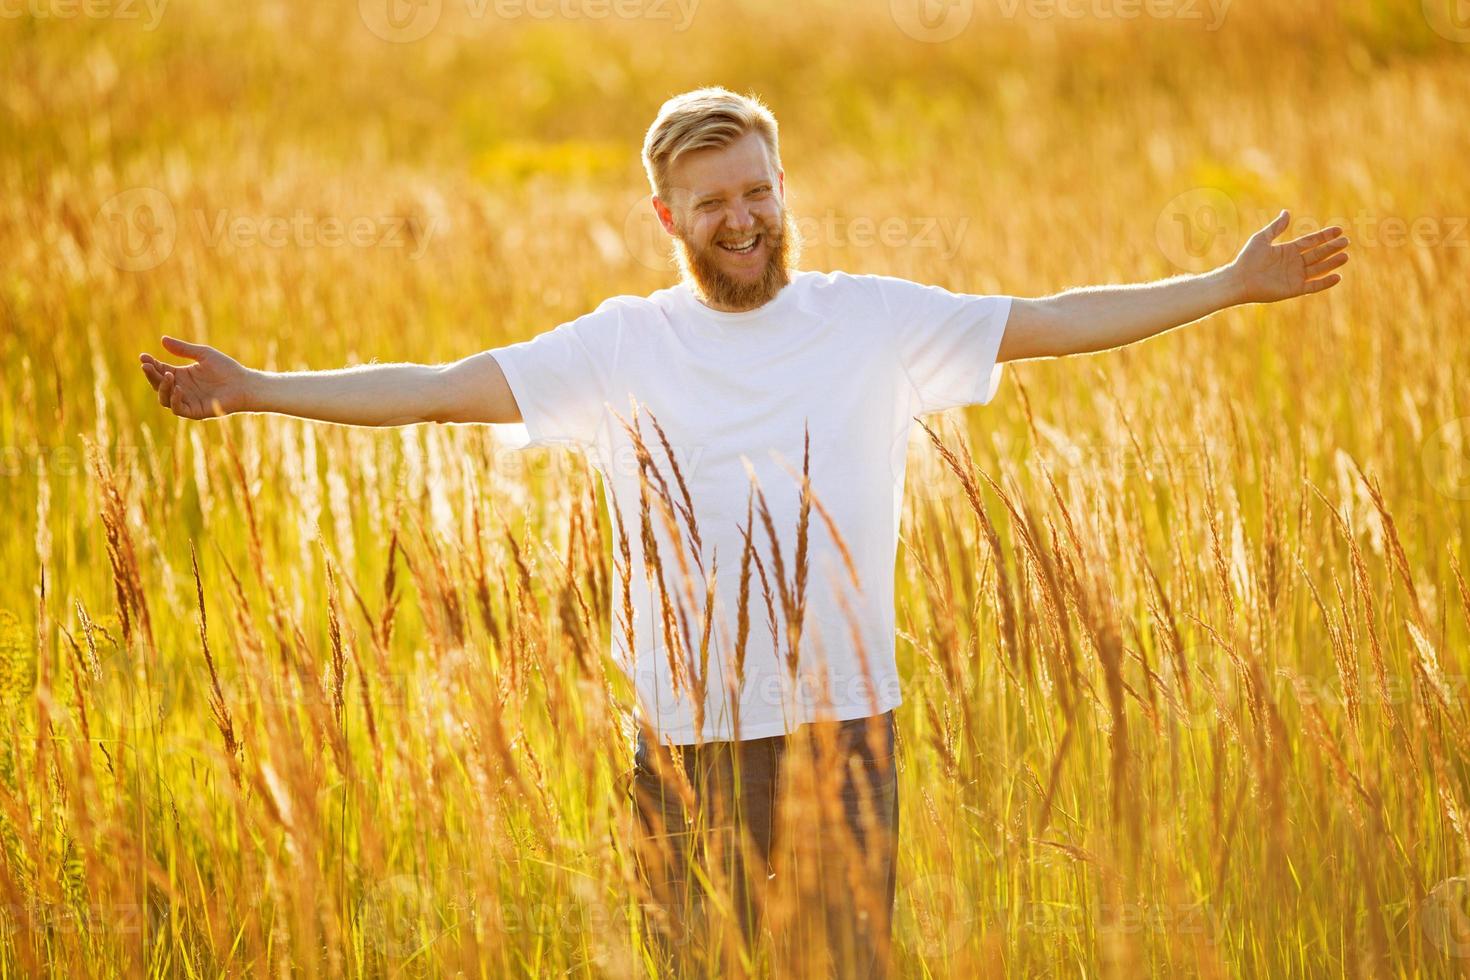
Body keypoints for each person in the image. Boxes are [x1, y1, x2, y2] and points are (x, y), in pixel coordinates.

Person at [138, 85, 1349, 977]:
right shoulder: (622, 341)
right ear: (666, 215)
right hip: (685, 741)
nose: (745, 217)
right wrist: (260, 387)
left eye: (760, 191)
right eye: (715, 201)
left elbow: (1055, 319)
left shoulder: (871, 317)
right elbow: (441, 384)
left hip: (848, 732)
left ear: (782, 191)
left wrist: (1225, 284)